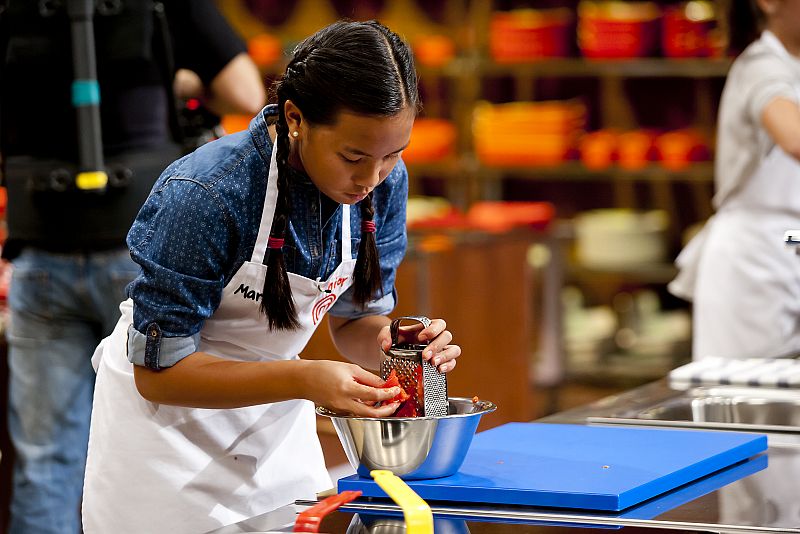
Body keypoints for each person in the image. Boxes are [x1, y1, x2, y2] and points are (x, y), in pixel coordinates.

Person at [81, 19, 461, 533]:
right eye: (353, 156)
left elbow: (354, 323)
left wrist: (401, 345)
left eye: (394, 155)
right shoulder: (207, 193)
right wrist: (304, 378)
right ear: (296, 117)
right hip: (166, 447)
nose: (372, 179)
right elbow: (159, 374)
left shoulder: (382, 186)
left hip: (272, 428)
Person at [0, 2, 265, 533]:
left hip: (42, 248)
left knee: (46, 463)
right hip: (148, 256)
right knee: (161, 454)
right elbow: (247, 95)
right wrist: (177, 78)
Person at [669, 0, 800, 360]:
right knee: (745, 404)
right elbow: (794, 137)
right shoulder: (760, 65)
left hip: (792, 243)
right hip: (754, 258)